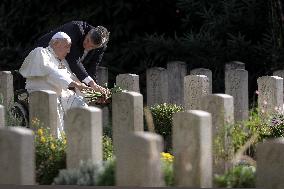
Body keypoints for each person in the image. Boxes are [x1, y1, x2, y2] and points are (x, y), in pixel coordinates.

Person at [19, 31, 92, 137]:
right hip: (43, 96)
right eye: (66, 47)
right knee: (56, 129)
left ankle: (79, 144)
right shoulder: (40, 52)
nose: (68, 51)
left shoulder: (61, 62)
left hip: (63, 96)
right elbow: (51, 72)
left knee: (83, 108)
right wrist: (76, 85)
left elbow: (72, 77)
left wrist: (89, 92)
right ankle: (57, 148)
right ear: (55, 43)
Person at [32, 21, 110, 95]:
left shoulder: (100, 48)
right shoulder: (75, 29)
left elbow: (92, 68)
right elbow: (73, 60)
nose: (87, 46)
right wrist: (91, 84)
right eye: (87, 40)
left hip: (63, 67)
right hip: (43, 60)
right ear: (89, 32)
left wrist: (96, 91)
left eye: (92, 47)